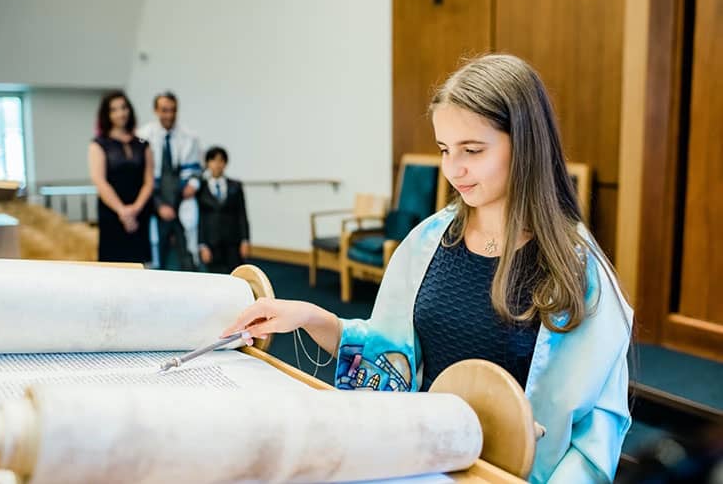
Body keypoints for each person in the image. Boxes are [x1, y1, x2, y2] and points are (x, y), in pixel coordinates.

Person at [221, 54, 633, 483]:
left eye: (472, 150)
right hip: (425, 464)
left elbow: (594, 431)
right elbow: (389, 356)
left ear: (525, 144)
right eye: (444, 150)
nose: (454, 169)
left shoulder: (576, 268)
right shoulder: (428, 241)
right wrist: (308, 317)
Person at [136, 91, 201, 270]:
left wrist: (193, 184)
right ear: (156, 111)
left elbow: (196, 169)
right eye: (164, 110)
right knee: (158, 258)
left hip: (181, 199)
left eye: (173, 110)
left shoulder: (190, 136)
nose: (169, 115)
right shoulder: (142, 136)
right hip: (156, 201)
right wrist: (158, 206)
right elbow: (139, 175)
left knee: (187, 256)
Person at [88, 91, 154, 263]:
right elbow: (99, 181)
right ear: (107, 114)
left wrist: (135, 209)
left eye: (123, 108)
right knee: (114, 266)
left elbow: (148, 181)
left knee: (139, 265)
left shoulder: (142, 144)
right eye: (114, 109)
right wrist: (122, 211)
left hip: (139, 212)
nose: (120, 113)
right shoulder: (99, 144)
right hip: (112, 213)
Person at [196, 146, 250, 273]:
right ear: (207, 163)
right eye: (213, 160)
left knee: (236, 276)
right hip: (212, 242)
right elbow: (200, 219)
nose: (217, 164)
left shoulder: (235, 186)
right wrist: (202, 245)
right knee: (215, 279)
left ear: (225, 163)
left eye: (221, 160)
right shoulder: (201, 188)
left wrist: (245, 240)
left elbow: (242, 215)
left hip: (233, 242)